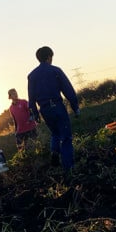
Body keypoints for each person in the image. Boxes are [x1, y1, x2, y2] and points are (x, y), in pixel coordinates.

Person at [27, 46, 80, 175]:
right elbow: (68, 89)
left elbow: (31, 97)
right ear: (49, 57)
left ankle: (55, 152)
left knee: (55, 133)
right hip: (57, 106)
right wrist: (75, 106)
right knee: (66, 137)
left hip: (45, 110)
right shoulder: (55, 71)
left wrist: (35, 113)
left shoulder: (32, 76)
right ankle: (69, 169)